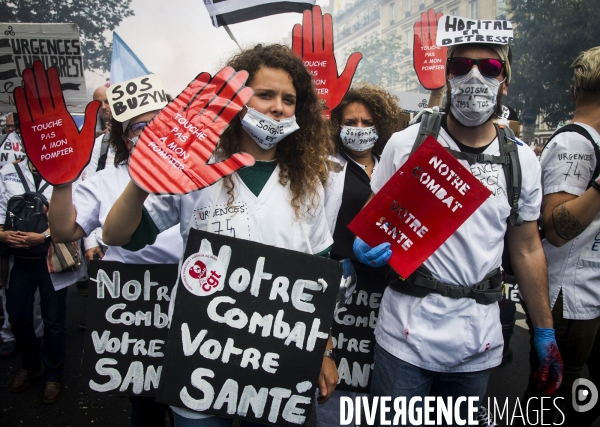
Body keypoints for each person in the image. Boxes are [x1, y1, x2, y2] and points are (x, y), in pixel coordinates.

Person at [101, 43, 338, 426]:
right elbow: (116, 235)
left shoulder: (307, 182)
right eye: (265, 95)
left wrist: (325, 348)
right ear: (238, 100)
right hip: (202, 358)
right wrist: (142, 181)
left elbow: (320, 269)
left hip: (280, 359)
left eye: (289, 99)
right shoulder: (193, 172)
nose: (278, 107)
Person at [353, 37, 563, 425]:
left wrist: (543, 331)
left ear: (505, 83)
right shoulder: (405, 144)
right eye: (462, 66)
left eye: (490, 68)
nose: (474, 76)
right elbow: (373, 215)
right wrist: (361, 244)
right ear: (447, 75)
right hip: (403, 338)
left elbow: (528, 249)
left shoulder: (521, 162)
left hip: (475, 345)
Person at [49, 80, 182, 425]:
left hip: (190, 301)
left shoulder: (198, 177)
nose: (152, 132)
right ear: (126, 139)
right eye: (141, 126)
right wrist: (61, 178)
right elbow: (64, 231)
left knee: (192, 401)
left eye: (161, 123)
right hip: (134, 309)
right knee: (145, 403)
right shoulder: (105, 181)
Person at [318, 84, 401, 427]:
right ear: (337, 125)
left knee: (378, 383)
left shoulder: (391, 166)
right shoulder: (324, 167)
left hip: (384, 293)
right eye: (350, 120)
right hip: (338, 292)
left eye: (367, 121)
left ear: (381, 126)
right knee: (339, 386)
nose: (359, 127)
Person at [528, 45, 600, 426]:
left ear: (574, 90)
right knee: (553, 402)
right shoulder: (575, 142)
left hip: (591, 295)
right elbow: (555, 229)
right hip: (569, 300)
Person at [0, 150, 85, 403]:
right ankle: (30, 363)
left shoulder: (68, 174)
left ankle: (53, 375)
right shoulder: (8, 172)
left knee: (54, 320)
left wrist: (46, 236)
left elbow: (76, 213)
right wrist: (2, 235)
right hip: (20, 258)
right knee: (16, 316)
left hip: (51, 258)